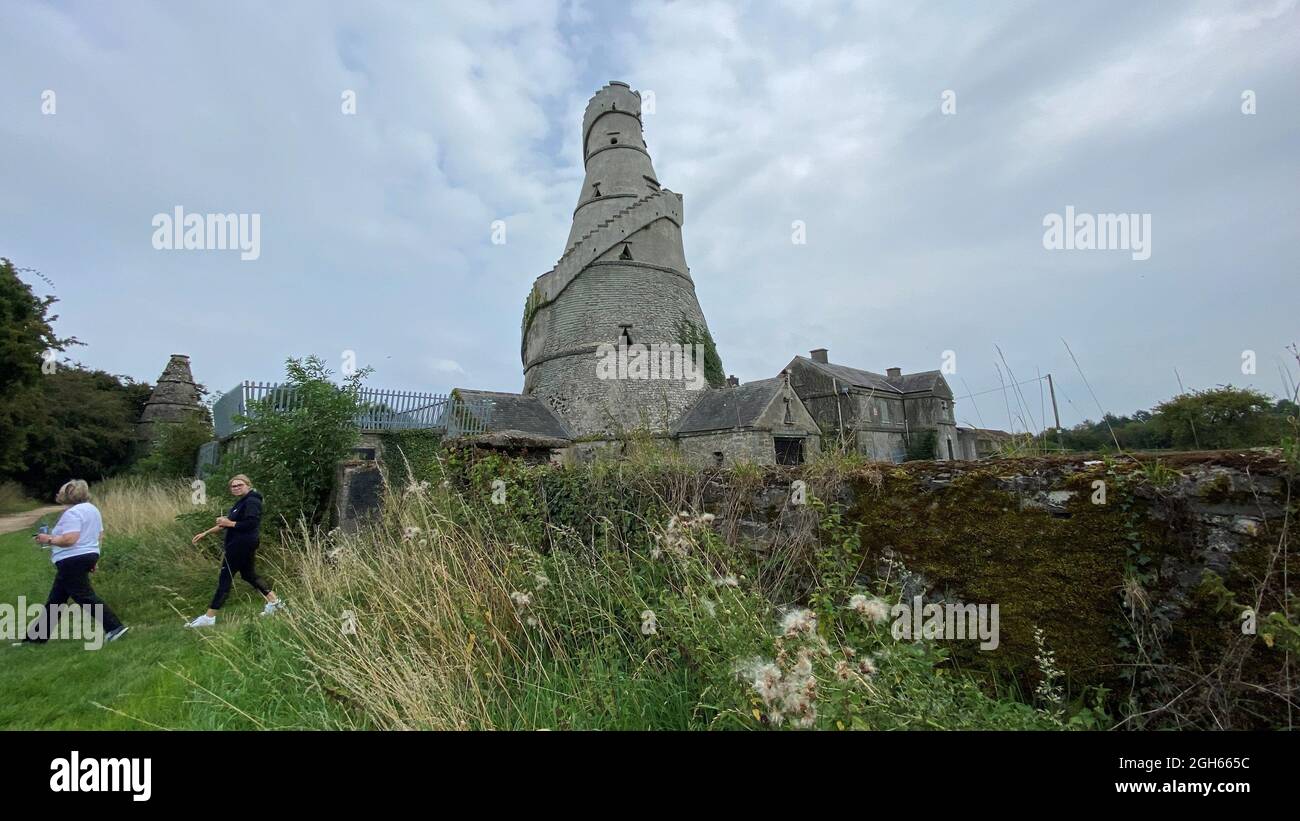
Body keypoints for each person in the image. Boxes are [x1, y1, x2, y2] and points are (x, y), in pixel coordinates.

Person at [27, 479, 128, 644]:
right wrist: (94, 558)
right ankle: (36, 638)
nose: (57, 494)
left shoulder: (72, 513)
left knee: (83, 596)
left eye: (60, 492)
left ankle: (114, 627)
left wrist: (48, 539)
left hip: (71, 559)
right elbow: (99, 535)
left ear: (68, 495)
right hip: (87, 555)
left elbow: (69, 539)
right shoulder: (92, 510)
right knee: (56, 599)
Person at [187, 474, 284, 627]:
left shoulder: (252, 501)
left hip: (241, 545)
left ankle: (209, 617)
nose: (237, 488)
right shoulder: (242, 502)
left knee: (225, 578)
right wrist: (205, 533)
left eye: (240, 485)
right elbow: (227, 523)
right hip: (242, 544)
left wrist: (229, 523)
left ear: (248, 485)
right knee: (248, 575)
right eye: (233, 486)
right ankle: (275, 603)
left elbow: (251, 523)